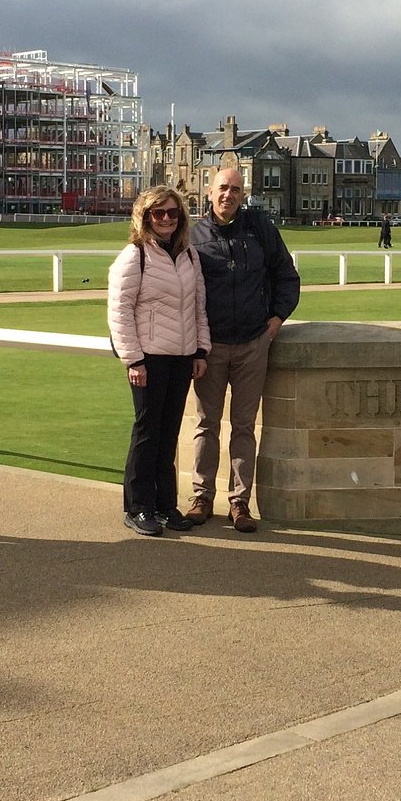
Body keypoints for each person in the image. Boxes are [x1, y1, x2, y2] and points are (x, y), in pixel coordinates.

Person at [187, 168, 300, 533]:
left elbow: (287, 275)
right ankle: (202, 496)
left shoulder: (260, 228)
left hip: (254, 344)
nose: (228, 195)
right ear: (209, 192)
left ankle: (239, 502)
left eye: (235, 189)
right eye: (223, 188)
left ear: (243, 194)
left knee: (244, 426)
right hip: (211, 347)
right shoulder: (193, 236)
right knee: (206, 424)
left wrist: (277, 319)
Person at [107, 185, 209, 537]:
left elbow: (198, 308)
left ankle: (166, 506)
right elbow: (119, 311)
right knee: (147, 433)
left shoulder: (189, 255)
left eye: (172, 213)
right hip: (148, 358)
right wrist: (134, 360)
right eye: (158, 213)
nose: (166, 219)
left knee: (168, 435)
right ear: (145, 216)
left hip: (182, 357)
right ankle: (138, 507)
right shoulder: (135, 255)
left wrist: (201, 350)